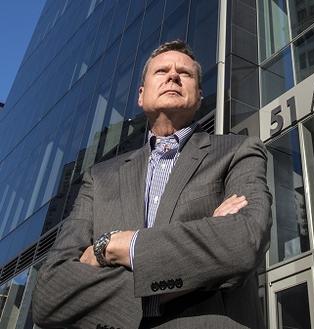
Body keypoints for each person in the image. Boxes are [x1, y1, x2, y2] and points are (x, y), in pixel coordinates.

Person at [32, 40, 272, 329]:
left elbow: (243, 241)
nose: (173, 76)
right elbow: (49, 295)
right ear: (141, 96)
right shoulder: (100, 177)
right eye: (161, 71)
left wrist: (115, 246)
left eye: (185, 73)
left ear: (198, 94)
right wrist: (201, 255)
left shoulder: (238, 151)